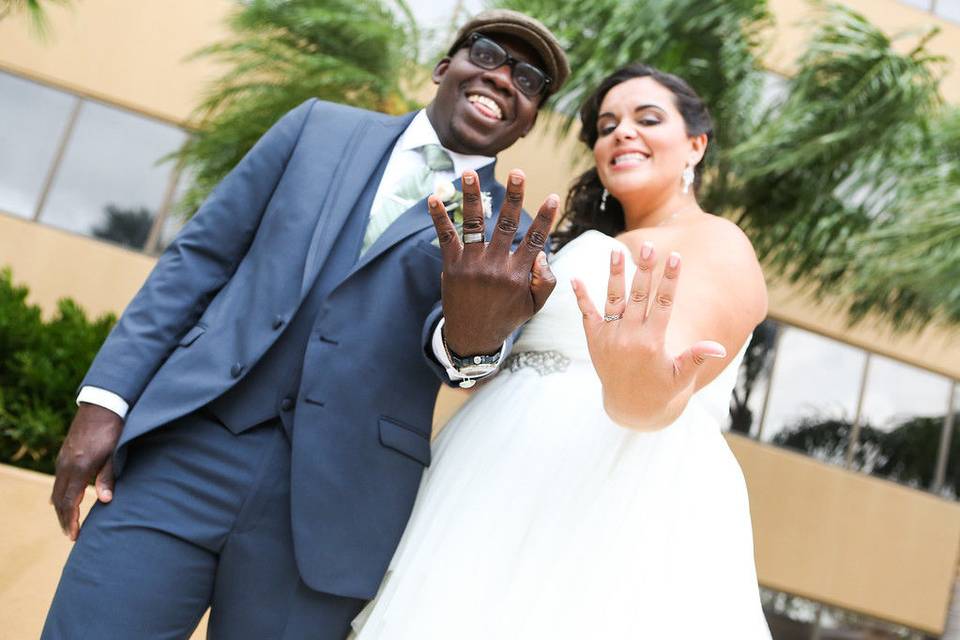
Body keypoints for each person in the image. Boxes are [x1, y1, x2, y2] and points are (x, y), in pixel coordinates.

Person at [42, 11, 570, 640]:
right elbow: (199, 260)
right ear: (443, 67)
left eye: (530, 79)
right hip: (185, 450)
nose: (505, 78)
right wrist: (104, 402)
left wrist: (474, 332)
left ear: (531, 117)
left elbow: (463, 360)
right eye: (486, 54)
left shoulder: (513, 240)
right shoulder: (317, 128)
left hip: (334, 509)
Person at [350, 64, 772, 639]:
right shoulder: (569, 245)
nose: (621, 132)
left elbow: (654, 398)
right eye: (607, 125)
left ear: (695, 144)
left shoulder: (717, 241)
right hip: (486, 480)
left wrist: (631, 379)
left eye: (648, 118)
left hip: (605, 495)